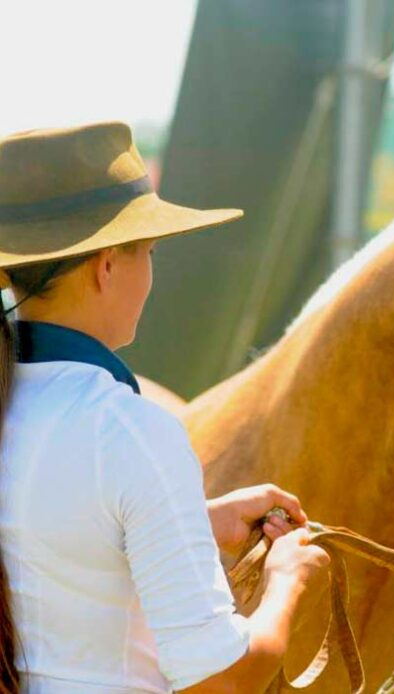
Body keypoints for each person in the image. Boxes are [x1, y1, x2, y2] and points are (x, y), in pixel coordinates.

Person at [0, 122, 329, 692]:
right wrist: (287, 580)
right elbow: (219, 681)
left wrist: (191, 522)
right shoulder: (129, 430)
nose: (151, 272)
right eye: (149, 252)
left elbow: (43, 546)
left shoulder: (18, 400)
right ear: (106, 266)